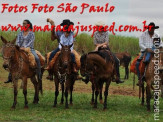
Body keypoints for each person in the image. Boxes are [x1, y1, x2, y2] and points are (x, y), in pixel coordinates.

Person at [136, 22, 163, 86]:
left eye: (152, 28)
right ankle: (141, 78)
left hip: (156, 51)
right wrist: (147, 49)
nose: (151, 30)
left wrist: (160, 47)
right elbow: (140, 44)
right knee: (138, 63)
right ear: (148, 28)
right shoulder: (143, 34)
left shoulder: (157, 35)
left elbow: (161, 43)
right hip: (145, 51)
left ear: (154, 29)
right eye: (150, 28)